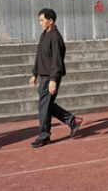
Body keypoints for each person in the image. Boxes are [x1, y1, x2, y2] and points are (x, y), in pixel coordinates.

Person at [30, 8, 83, 148]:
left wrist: (53, 80)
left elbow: (57, 61)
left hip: (50, 78)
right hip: (43, 77)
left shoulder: (55, 37)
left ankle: (44, 136)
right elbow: (39, 56)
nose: (40, 23)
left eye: (42, 20)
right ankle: (73, 121)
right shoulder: (44, 35)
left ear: (50, 20)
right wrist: (34, 73)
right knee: (47, 106)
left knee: (43, 107)